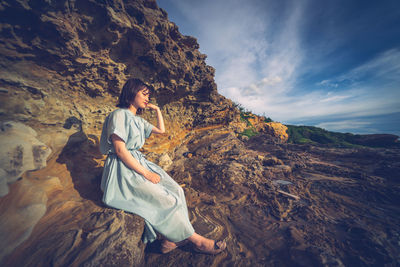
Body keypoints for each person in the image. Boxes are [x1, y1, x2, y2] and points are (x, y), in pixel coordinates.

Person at [99, 78, 226, 254]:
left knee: (177, 191)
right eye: (144, 93)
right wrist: (146, 174)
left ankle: (171, 240)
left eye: (148, 95)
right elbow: (120, 151)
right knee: (166, 199)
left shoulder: (138, 120)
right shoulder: (118, 115)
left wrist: (157, 109)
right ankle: (197, 241)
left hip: (138, 161)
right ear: (130, 93)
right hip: (123, 168)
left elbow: (161, 130)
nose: (147, 98)